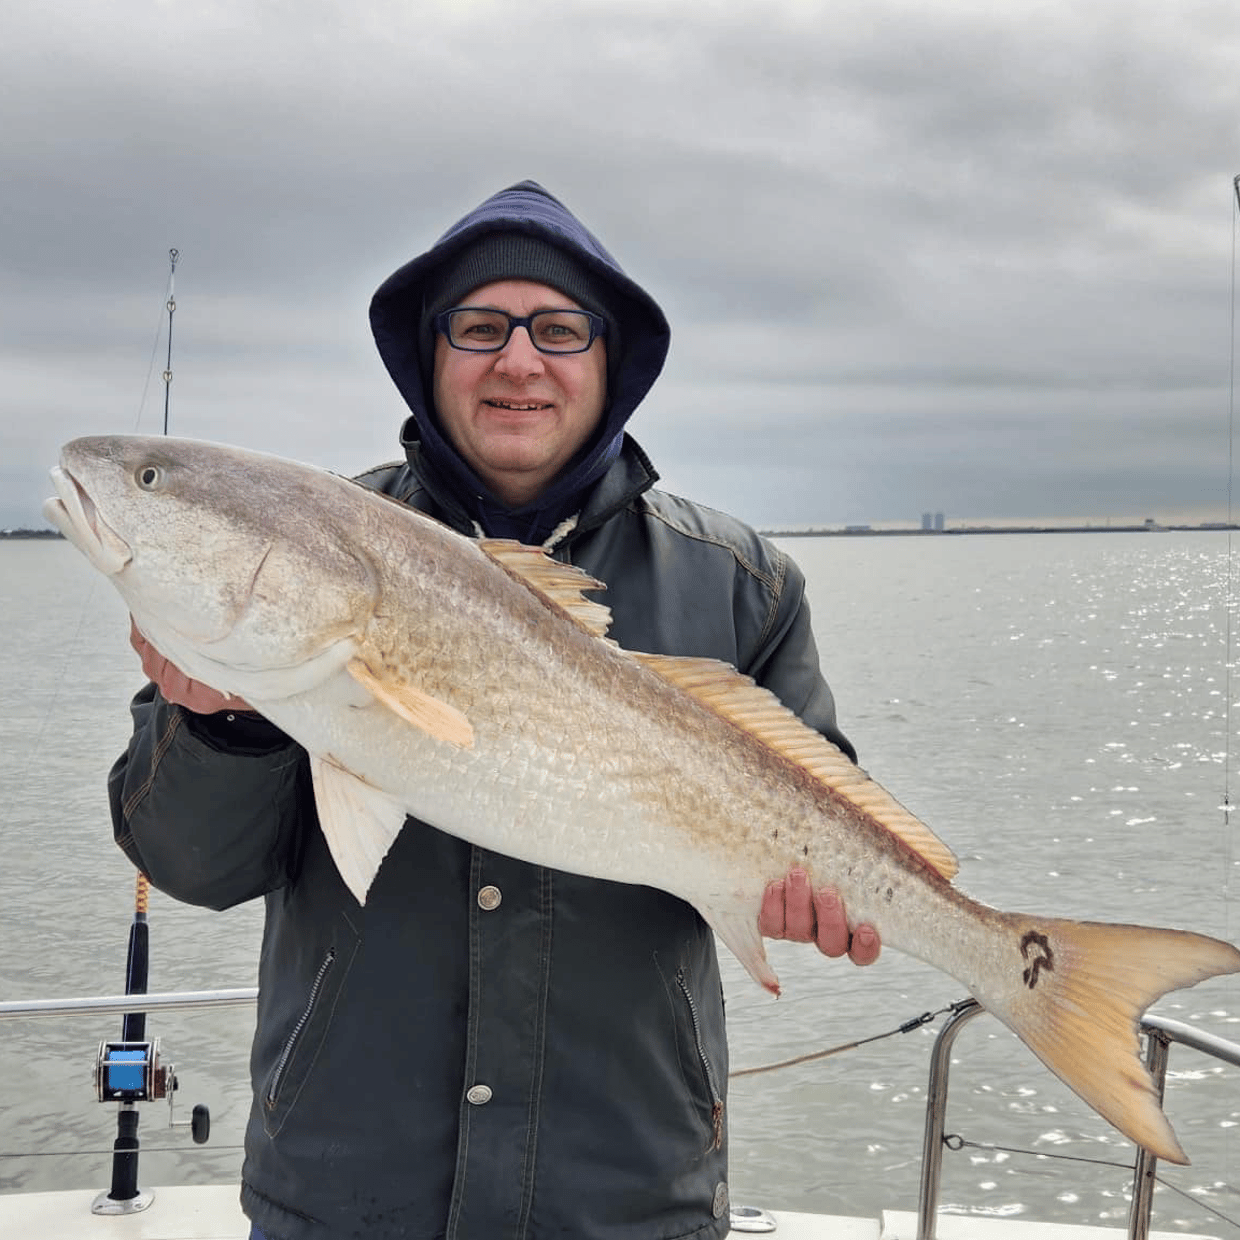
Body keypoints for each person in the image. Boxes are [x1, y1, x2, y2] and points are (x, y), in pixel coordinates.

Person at [110, 180, 880, 1240]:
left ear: (612, 364)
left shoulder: (742, 583)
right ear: (428, 358)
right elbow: (191, 865)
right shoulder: (291, 553)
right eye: (478, 327)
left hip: (627, 1193)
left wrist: (830, 894)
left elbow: (828, 812)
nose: (519, 361)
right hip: (343, 1192)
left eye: (560, 330)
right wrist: (221, 725)